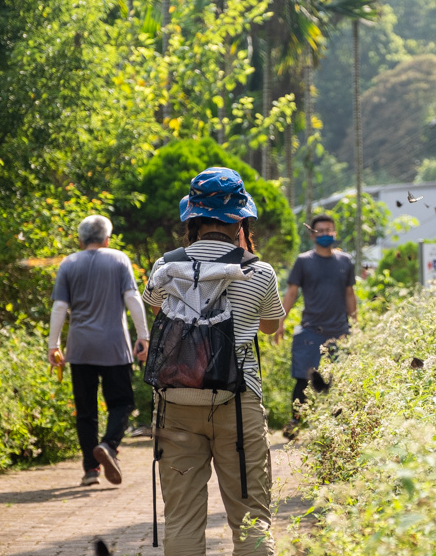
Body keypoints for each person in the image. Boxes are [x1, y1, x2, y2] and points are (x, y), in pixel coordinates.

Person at [142, 167, 284, 556]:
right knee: (251, 519)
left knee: (183, 522)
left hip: (175, 406)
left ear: (193, 217)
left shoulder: (165, 266)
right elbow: (271, 326)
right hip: (237, 403)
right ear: (240, 218)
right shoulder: (258, 271)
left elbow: (153, 305)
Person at [47, 215, 150, 487]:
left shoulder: (68, 263)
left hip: (80, 348)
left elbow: (59, 307)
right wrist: (144, 336)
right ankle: (108, 445)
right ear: (107, 239)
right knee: (122, 402)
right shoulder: (119, 259)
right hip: (114, 345)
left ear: (80, 240)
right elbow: (132, 298)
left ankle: (91, 470)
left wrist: (53, 345)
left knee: (86, 410)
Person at [276, 214, 357, 437]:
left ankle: (337, 427)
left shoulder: (345, 262)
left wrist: (356, 326)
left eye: (329, 230)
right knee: (303, 379)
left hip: (340, 331)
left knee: (339, 380)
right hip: (311, 331)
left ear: (335, 233)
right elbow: (291, 292)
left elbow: (350, 293)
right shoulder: (304, 261)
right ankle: (295, 422)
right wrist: (280, 322)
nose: (325, 234)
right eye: (320, 231)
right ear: (312, 235)